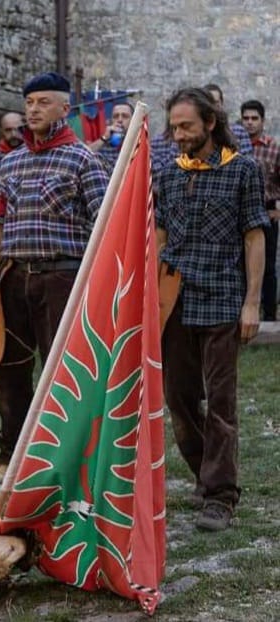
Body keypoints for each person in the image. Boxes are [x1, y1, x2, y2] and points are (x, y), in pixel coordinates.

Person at [0, 72, 109, 485]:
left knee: (62, 372)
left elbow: (106, 227)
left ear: (65, 109)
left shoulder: (84, 159)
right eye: (29, 102)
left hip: (62, 278)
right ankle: (10, 456)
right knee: (9, 372)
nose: (33, 109)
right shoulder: (9, 162)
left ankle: (66, 459)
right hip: (14, 279)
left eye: (43, 102)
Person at [156, 87, 268, 531]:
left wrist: (253, 301)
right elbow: (160, 234)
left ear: (209, 123)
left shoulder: (241, 170)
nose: (178, 134)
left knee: (220, 401)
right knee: (179, 399)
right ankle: (206, 472)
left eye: (186, 126)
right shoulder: (167, 172)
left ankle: (220, 494)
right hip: (175, 299)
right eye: (174, 126)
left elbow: (254, 235)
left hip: (222, 297)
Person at [240, 99, 280, 321]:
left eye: (254, 118)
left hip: (266, 213)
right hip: (240, 215)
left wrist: (277, 212)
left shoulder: (273, 148)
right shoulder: (234, 147)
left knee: (268, 268)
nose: (250, 123)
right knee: (241, 264)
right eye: (245, 118)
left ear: (263, 121)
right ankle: (243, 312)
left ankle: (270, 317)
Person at [87, 102, 134, 171]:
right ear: (111, 120)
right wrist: (104, 138)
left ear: (133, 120)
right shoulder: (104, 144)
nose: (119, 120)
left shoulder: (139, 142)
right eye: (115, 116)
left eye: (125, 116)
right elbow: (82, 155)